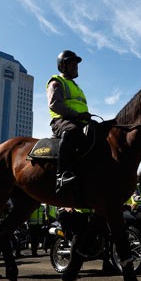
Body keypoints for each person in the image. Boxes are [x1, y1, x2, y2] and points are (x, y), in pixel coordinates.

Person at [46, 50, 91, 192]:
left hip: (80, 121)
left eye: (76, 64)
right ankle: (62, 175)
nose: (75, 66)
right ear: (62, 66)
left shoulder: (77, 87)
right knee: (71, 131)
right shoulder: (56, 82)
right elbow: (55, 105)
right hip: (61, 121)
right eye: (72, 64)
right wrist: (77, 115)